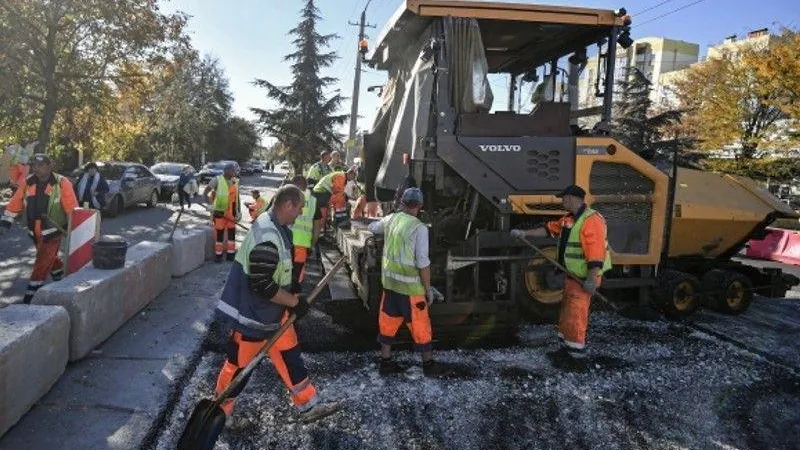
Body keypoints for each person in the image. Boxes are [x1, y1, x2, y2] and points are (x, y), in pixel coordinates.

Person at [213, 184, 341, 423]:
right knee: (239, 366)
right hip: (253, 317)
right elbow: (262, 286)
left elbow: (276, 273)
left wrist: (292, 290)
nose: (301, 213)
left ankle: (308, 405)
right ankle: (219, 411)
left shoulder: (276, 225)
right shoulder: (268, 236)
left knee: (290, 354)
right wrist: (295, 301)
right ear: (288, 204)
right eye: (299, 208)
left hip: (274, 313)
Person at [510, 184, 611, 361]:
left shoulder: (591, 220)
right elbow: (548, 229)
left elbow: (596, 254)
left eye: (563, 198)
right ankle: (565, 348)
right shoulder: (569, 220)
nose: (562, 201)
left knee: (576, 314)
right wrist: (524, 233)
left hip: (583, 278)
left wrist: (591, 279)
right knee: (567, 313)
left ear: (573, 198)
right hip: (572, 276)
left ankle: (575, 355)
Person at [367, 187, 451, 377]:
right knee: (421, 326)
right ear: (420, 206)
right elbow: (422, 262)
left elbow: (372, 228)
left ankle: (385, 363)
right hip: (411, 289)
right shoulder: (419, 228)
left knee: (387, 323)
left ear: (402, 202)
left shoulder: (391, 219)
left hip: (390, 285)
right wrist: (428, 289)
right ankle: (428, 365)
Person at [0, 154, 79, 303]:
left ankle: (30, 296)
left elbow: (71, 208)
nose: (36, 168)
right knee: (50, 258)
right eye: (34, 165)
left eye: (41, 165)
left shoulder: (62, 183)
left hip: (53, 230)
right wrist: (6, 222)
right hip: (33, 230)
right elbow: (15, 202)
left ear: (50, 166)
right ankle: (60, 278)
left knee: (42, 262)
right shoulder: (27, 182)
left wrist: (74, 227)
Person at [286, 176, 320, 290]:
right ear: (305, 186)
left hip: (285, 242)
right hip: (302, 244)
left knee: (283, 274)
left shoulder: (287, 195)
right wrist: (312, 244)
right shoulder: (313, 200)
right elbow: (317, 226)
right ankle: (292, 303)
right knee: (296, 277)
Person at [203, 164, 241, 262]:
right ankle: (218, 257)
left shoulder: (235, 182)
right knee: (219, 237)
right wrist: (210, 205)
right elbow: (205, 193)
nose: (234, 173)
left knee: (231, 238)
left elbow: (237, 199)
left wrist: (238, 213)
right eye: (233, 171)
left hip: (231, 215)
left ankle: (230, 256)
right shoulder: (217, 180)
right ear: (227, 171)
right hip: (220, 214)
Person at [311, 167, 357, 231]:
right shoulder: (341, 177)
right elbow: (337, 191)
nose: (353, 179)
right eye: (353, 177)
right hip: (320, 193)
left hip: (322, 193)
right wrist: (346, 197)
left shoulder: (342, 177)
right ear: (350, 173)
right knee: (340, 198)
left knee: (342, 197)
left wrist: (348, 197)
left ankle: (337, 219)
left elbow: (338, 191)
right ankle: (341, 220)